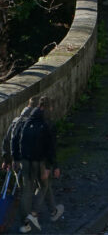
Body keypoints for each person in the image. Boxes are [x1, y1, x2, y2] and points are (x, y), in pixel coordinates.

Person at [16, 96, 63, 232]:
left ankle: (26, 222)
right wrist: (51, 166)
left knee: (26, 190)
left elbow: (19, 140)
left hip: (25, 159)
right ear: (47, 107)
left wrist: (17, 158)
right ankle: (34, 214)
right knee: (44, 185)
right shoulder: (47, 123)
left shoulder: (28, 120)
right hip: (40, 161)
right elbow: (51, 147)